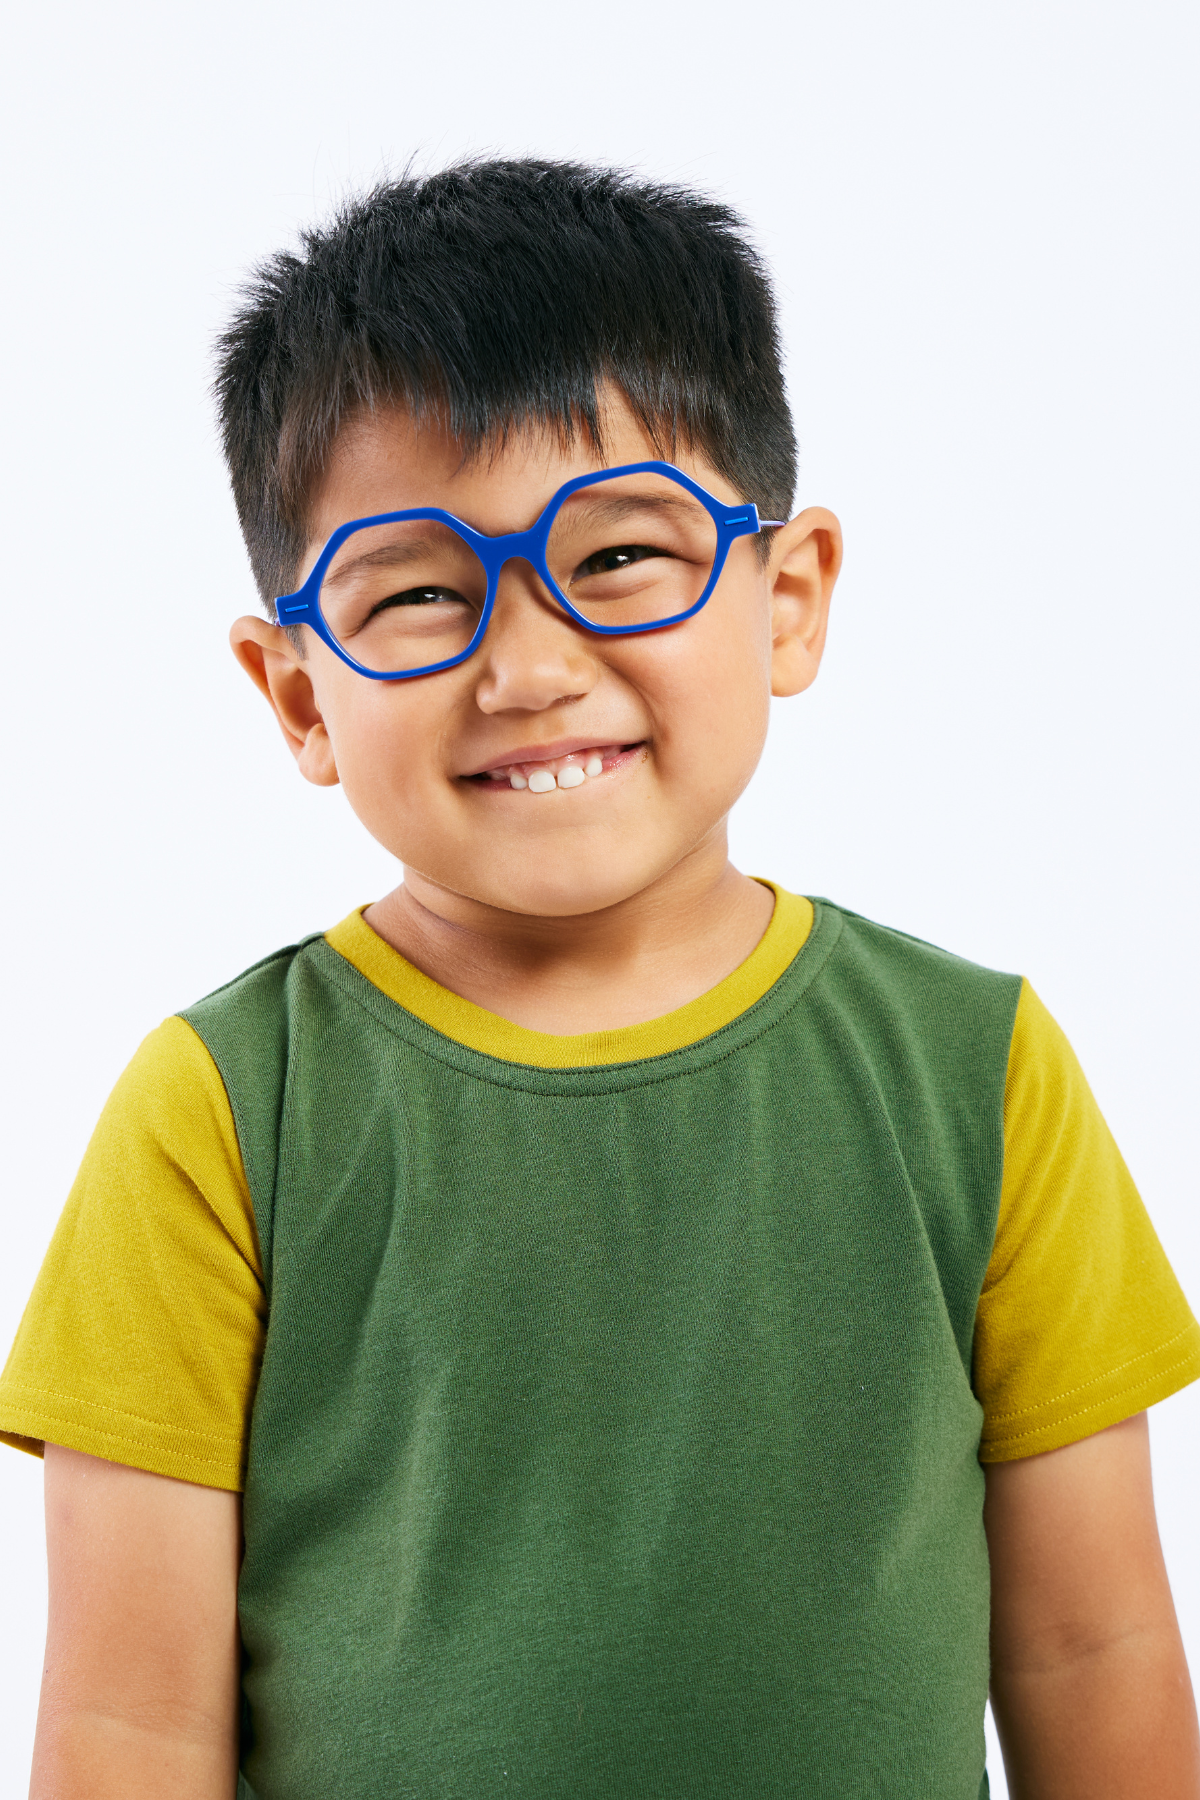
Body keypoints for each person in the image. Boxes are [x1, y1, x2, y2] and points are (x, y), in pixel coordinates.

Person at [2, 159, 1198, 1800]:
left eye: (622, 555)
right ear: (295, 695)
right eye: (418, 591)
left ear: (788, 598)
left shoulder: (971, 1066)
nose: (532, 665)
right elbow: (128, 1729)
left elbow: (1094, 1650)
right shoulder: (223, 1110)